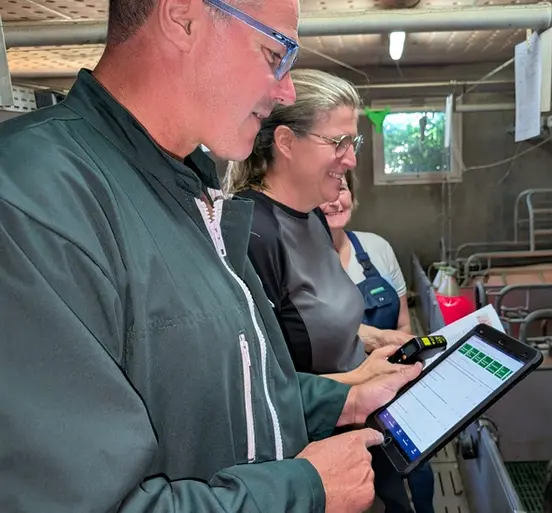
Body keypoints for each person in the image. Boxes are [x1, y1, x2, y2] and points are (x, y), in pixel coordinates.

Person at [0, 0, 422, 511]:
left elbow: (227, 396)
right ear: (183, 18)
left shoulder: (186, 187)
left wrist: (344, 400)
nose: (286, 91)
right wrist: (305, 489)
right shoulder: (31, 196)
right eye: (274, 54)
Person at [224, 68, 416, 513]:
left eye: (354, 142)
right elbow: (255, 387)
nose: (351, 160)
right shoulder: (253, 233)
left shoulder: (311, 217)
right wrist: (357, 381)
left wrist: (379, 339)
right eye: (339, 142)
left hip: (361, 422)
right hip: (314, 451)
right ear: (286, 142)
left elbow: (310, 318)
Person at [321, 170, 437, 513]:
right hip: (342, 402)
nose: (334, 199)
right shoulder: (301, 267)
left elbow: (403, 324)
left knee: (420, 475)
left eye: (342, 188)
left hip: (396, 393)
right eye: (324, 189)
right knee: (380, 491)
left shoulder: (377, 248)